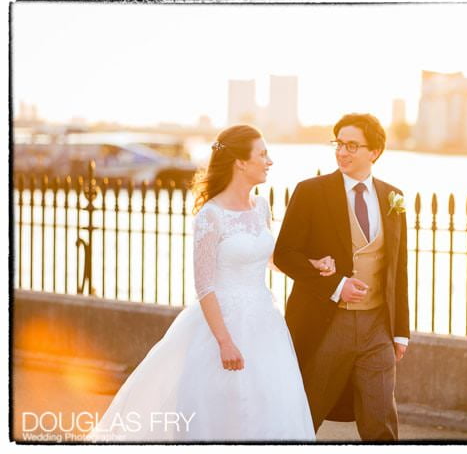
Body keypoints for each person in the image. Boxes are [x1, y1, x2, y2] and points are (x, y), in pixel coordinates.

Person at [86, 125, 325, 442]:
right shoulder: (210, 215)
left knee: (271, 403)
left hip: (266, 324)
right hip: (221, 325)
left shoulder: (262, 206)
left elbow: (266, 258)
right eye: (263, 154)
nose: (270, 161)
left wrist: (312, 265)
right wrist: (225, 341)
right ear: (240, 162)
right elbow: (204, 286)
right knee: (223, 409)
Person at [273, 113, 410, 441]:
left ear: (373, 152)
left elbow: (398, 269)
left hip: (377, 325)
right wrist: (336, 286)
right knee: (307, 414)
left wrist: (401, 332)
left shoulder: (394, 197)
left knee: (381, 419)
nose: (342, 152)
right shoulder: (311, 192)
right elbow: (284, 254)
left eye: (352, 145)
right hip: (326, 323)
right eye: (339, 144)